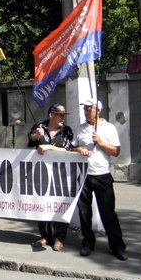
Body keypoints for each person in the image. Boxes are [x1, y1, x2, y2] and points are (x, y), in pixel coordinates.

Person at [72, 98, 127, 261]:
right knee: (84, 212)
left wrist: (100, 143)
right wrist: (79, 148)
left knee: (108, 212)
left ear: (98, 110)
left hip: (102, 174)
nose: (87, 111)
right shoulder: (80, 129)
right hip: (84, 175)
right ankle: (88, 242)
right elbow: (73, 146)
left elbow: (115, 152)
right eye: (85, 109)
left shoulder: (109, 128)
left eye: (90, 109)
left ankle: (117, 246)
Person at [27, 103, 74, 251]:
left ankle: (59, 238)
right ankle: (45, 236)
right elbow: (30, 141)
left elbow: (68, 149)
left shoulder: (66, 130)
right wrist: (37, 136)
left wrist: (49, 147)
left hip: (61, 173)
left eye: (64, 116)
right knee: (42, 203)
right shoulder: (39, 126)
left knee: (60, 204)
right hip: (42, 173)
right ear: (51, 115)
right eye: (60, 115)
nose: (62, 118)